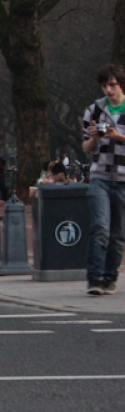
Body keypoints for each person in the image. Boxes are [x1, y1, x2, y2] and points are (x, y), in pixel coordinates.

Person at [81, 63, 125, 295]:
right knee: (100, 228)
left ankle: (110, 277)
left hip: (123, 178)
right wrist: (95, 138)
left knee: (118, 234)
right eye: (104, 85)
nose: (108, 90)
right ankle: (94, 277)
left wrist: (118, 136)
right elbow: (86, 147)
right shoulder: (94, 110)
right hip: (100, 175)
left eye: (112, 85)